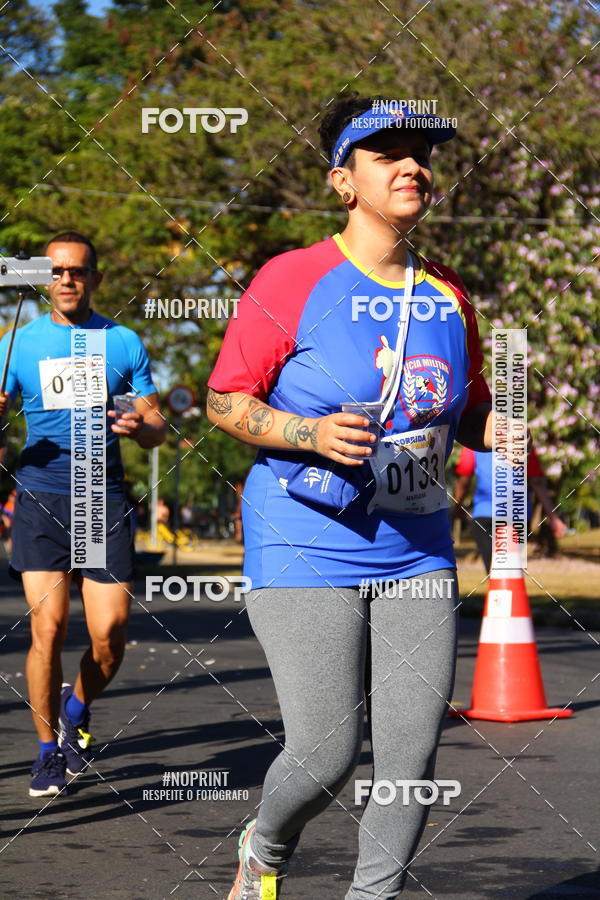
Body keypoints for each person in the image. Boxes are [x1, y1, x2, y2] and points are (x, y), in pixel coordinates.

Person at [207, 95, 494, 900]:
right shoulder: (292, 278)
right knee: (326, 754)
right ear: (343, 180)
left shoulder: (447, 294)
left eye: (421, 153)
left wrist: (501, 425)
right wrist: (308, 434)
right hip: (303, 536)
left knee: (411, 756)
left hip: (417, 543)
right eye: (386, 153)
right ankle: (263, 848)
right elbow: (225, 399)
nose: (413, 164)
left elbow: (463, 411)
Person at [0, 231, 167, 798]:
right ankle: (48, 752)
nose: (67, 279)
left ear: (95, 279)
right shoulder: (15, 344)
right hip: (41, 495)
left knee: (110, 634)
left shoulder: (123, 343)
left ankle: (77, 707)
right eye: (57, 271)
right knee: (47, 629)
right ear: (44, 280)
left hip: (104, 496)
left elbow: (156, 428)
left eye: (78, 271)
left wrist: (140, 427)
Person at [453, 445, 567, 572]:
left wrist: (458, 507)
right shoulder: (522, 440)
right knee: (511, 569)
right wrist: (554, 517)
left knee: (494, 571)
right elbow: (537, 483)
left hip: (485, 514)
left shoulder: (473, 440)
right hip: (517, 514)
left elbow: (464, 481)